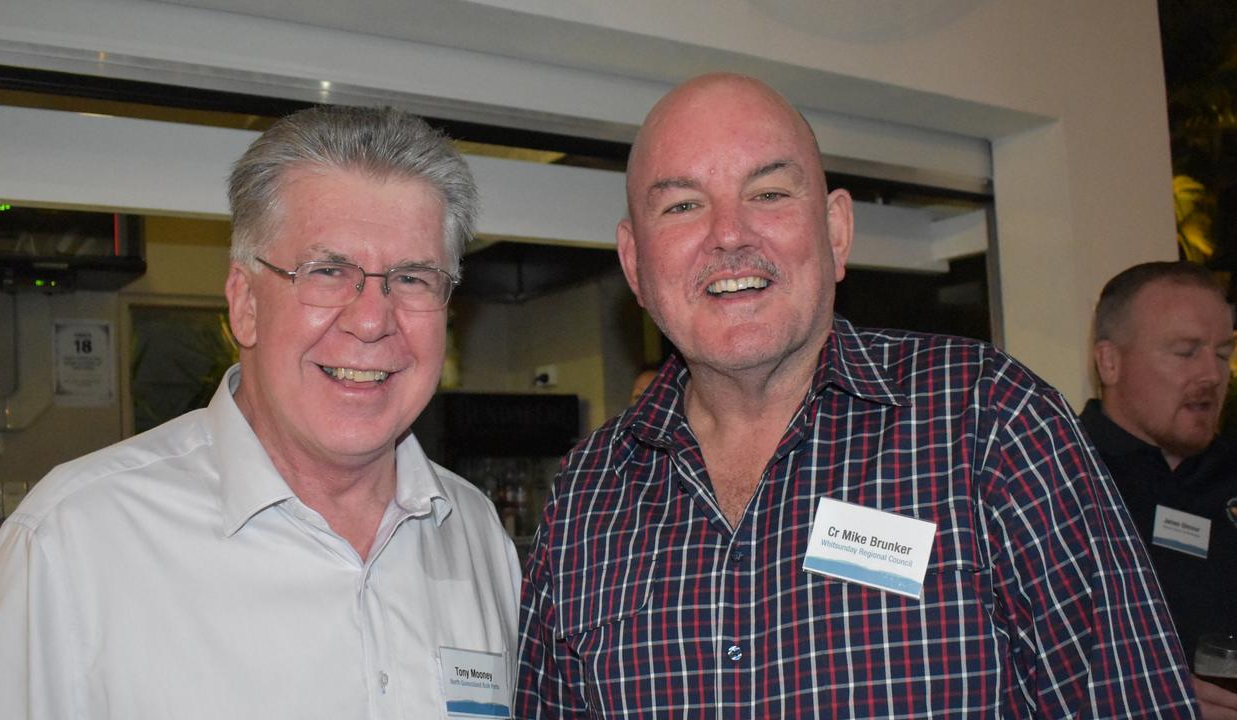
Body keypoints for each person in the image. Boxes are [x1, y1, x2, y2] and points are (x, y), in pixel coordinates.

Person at [515, 73, 1200, 718]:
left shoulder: (988, 419)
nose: (727, 233)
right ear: (635, 264)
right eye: (683, 205)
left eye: (769, 194)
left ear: (837, 231)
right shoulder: (586, 494)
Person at [0, 105, 521, 718]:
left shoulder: (475, 534)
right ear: (245, 303)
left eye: (412, 279)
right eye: (328, 271)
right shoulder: (72, 542)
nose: (370, 320)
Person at [1080, 261, 1237, 719]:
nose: (1212, 374)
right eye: (1187, 352)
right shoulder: (1054, 479)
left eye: (1222, 352)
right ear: (1110, 362)